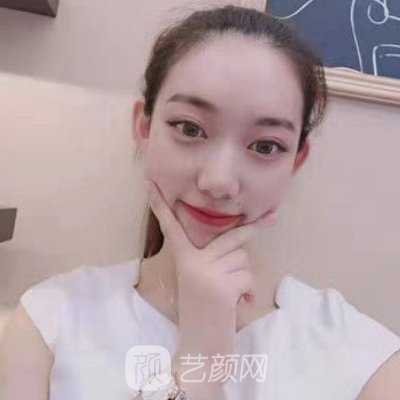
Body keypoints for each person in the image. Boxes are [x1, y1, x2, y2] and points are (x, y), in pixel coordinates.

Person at [1, 4, 399, 400]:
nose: (218, 181)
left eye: (266, 146)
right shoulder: (48, 322)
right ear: (144, 129)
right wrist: (199, 368)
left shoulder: (367, 360)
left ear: (296, 160)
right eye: (189, 128)